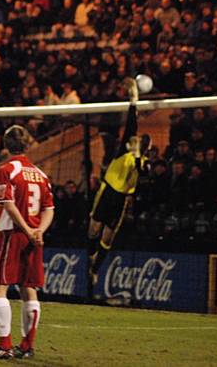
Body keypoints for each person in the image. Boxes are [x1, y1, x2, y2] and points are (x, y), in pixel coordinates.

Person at [0, 125, 54, 360]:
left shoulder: (6, 170)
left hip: (14, 234)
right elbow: (49, 208)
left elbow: (8, 205)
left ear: (5, 144)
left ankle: (5, 345)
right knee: (28, 288)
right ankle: (27, 346)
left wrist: (27, 229)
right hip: (34, 237)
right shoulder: (41, 175)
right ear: (28, 144)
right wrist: (38, 230)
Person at [87, 78, 151, 286]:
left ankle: (95, 269)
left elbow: (144, 172)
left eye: (140, 142)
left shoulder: (141, 161)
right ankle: (90, 255)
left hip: (121, 199)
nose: (135, 141)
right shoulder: (124, 149)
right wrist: (134, 100)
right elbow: (132, 123)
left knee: (107, 236)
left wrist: (140, 155)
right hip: (108, 192)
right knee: (93, 229)